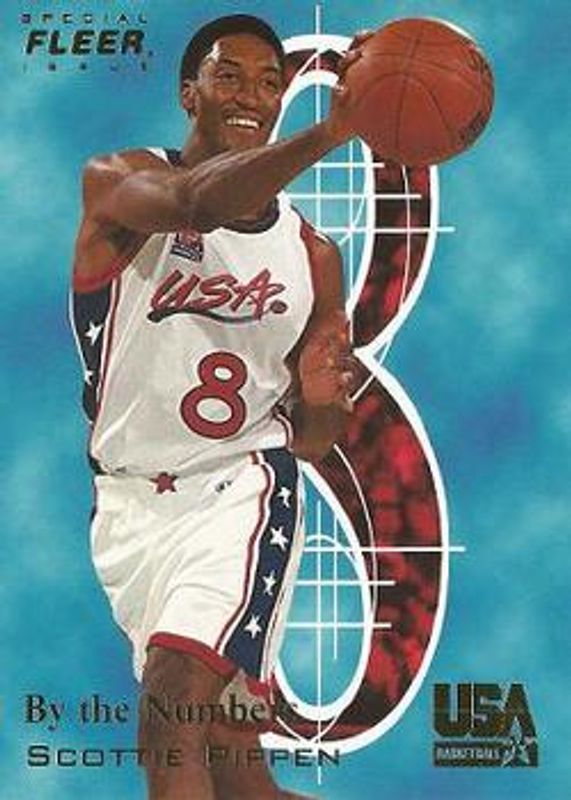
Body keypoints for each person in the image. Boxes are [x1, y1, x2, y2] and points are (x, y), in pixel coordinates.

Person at [72, 14, 366, 800]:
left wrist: (321, 398)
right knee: (235, 767)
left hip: (240, 490)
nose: (250, 96)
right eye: (227, 75)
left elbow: (312, 440)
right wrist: (329, 133)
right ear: (187, 92)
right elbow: (195, 204)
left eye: (270, 83)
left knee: (170, 714)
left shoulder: (312, 256)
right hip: (128, 506)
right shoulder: (121, 181)